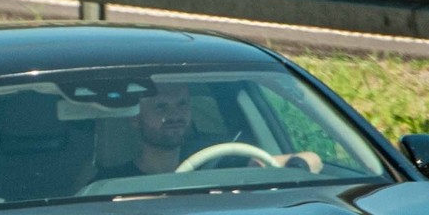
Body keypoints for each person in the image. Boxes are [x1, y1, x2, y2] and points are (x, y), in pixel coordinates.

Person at [112, 80, 319, 178]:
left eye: (182, 104)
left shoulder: (216, 163)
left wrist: (295, 172)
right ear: (136, 119)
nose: (175, 115)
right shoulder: (113, 181)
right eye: (161, 107)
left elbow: (313, 159)